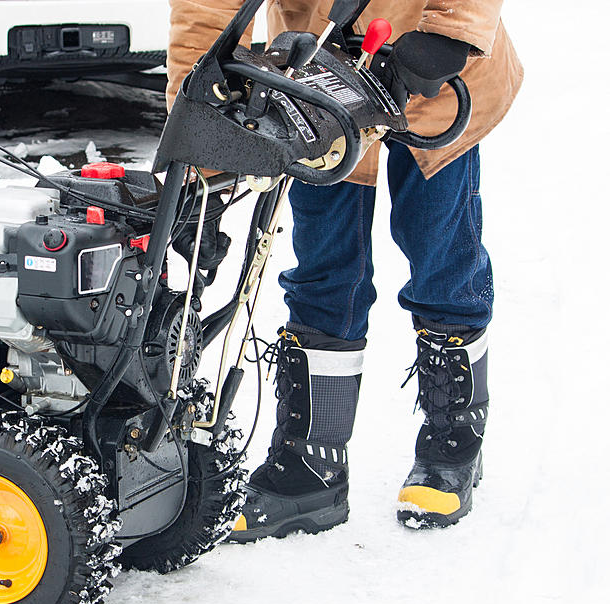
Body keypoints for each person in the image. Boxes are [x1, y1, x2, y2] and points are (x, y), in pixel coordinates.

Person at [165, 0, 522, 535]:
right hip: (319, 88)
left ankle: (454, 441)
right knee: (325, 268)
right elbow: (203, 10)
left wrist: (449, 32)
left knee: (439, 253)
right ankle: (312, 466)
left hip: (434, 72)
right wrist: (201, 162)